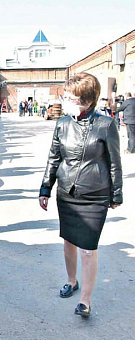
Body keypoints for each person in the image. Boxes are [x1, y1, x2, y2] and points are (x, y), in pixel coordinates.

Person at [39, 72, 122, 318]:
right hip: (67, 193)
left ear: (87, 100)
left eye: (71, 97)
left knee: (88, 248)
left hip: (95, 195)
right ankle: (72, 281)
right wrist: (45, 188)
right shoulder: (62, 123)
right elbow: (53, 158)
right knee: (68, 241)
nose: (65, 101)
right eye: (66, 96)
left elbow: (115, 162)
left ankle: (85, 300)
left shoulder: (106, 125)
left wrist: (116, 195)